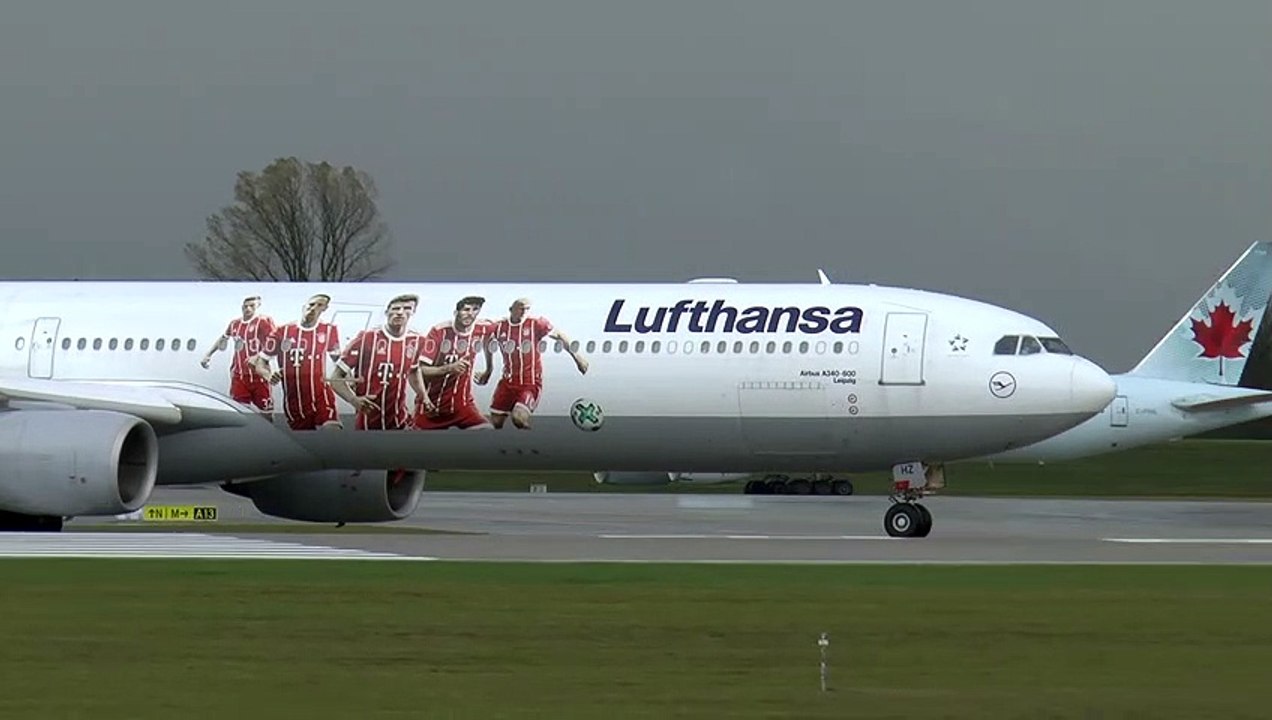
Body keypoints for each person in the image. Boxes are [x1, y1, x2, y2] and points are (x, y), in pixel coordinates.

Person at [479, 297, 589, 429]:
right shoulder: (499, 326)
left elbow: (559, 335)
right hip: (507, 383)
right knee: (496, 422)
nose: (524, 312)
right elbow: (487, 342)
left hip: (529, 384)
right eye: (521, 308)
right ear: (511, 310)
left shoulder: (536, 324)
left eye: (527, 309)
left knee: (518, 419)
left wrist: (577, 357)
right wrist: (488, 369)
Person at [329, 294, 425, 430]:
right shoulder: (367, 338)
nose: (400, 312)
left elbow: (414, 371)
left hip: (401, 421)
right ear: (387, 312)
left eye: (407, 308)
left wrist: (425, 397)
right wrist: (353, 400)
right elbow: (335, 378)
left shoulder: (416, 340)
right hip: (368, 422)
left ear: (413, 312)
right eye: (396, 308)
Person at [251, 293, 343, 430]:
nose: (313, 308)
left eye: (320, 306)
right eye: (312, 304)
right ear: (304, 306)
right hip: (295, 401)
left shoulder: (329, 330)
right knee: (307, 443)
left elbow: (339, 361)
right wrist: (268, 375)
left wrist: (351, 384)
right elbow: (260, 363)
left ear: (325, 309)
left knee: (332, 432)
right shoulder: (282, 331)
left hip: (321, 396)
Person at [414, 296, 493, 430]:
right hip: (432, 406)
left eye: (475, 310)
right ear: (456, 312)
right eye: (466, 309)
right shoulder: (438, 332)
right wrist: (449, 368)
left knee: (487, 431)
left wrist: (489, 369)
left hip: (463, 406)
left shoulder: (484, 328)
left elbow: (489, 340)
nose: (471, 314)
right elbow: (420, 371)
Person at [200, 295, 276, 416]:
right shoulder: (235, 324)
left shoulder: (263, 321)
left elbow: (274, 342)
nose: (248, 309)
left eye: (252, 306)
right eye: (245, 306)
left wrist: (257, 357)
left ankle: (268, 433)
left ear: (257, 307)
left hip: (259, 376)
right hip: (239, 376)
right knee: (239, 410)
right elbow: (223, 338)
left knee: (266, 412)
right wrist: (208, 354)